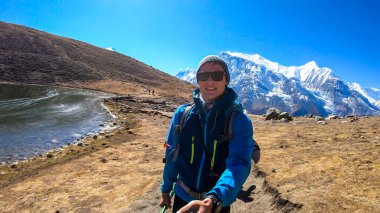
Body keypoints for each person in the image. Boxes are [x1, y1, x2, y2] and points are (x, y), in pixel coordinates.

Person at [159, 55, 255, 213]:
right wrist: (166, 189)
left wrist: (214, 198)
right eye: (203, 76)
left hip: (215, 203)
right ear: (197, 80)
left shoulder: (239, 121)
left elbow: (239, 164)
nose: (209, 81)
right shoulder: (182, 114)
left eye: (216, 76)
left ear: (227, 80)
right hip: (182, 197)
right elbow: (171, 154)